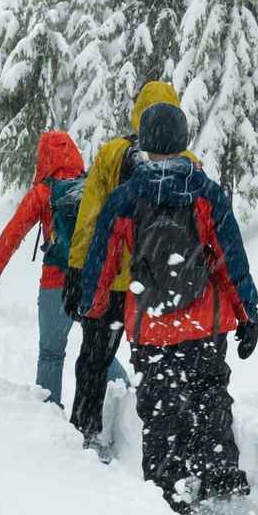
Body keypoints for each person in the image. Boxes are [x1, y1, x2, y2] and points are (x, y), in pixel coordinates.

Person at [80, 102, 258, 515]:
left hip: (151, 324)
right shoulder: (206, 194)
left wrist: (94, 305)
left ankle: (169, 490)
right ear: (183, 140)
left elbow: (101, 261)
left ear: (143, 143)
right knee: (209, 395)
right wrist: (247, 313)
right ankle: (218, 475)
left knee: (160, 409)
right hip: (205, 323)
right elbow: (232, 259)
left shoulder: (126, 198)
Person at [64, 81, 197, 448]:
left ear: (139, 112)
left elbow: (90, 218)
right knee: (165, 369)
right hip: (161, 287)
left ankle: (85, 430)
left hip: (111, 281)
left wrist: (77, 272)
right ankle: (170, 445)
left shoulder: (111, 154)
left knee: (93, 359)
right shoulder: (189, 163)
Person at [0, 130, 125, 406]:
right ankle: (125, 398)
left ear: (43, 159)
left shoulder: (42, 194)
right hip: (91, 282)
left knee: (51, 354)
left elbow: (9, 239)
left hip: (55, 284)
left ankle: (50, 420)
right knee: (98, 349)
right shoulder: (92, 186)